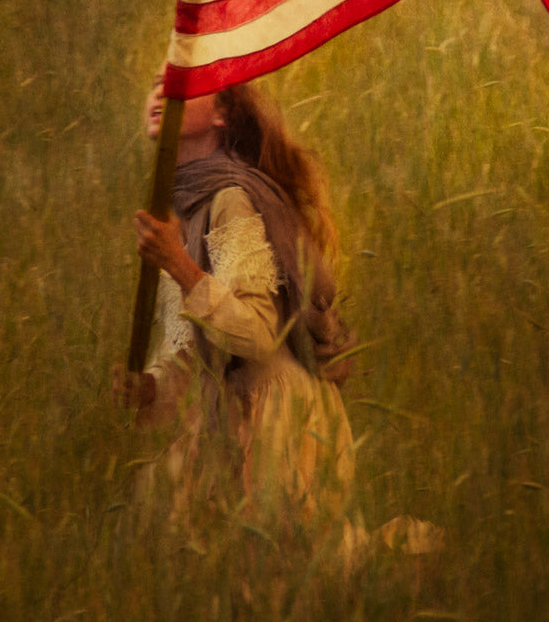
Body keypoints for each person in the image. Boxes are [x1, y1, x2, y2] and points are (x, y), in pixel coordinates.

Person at [113, 66, 440, 556]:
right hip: (225, 415)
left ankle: (412, 567)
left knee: (305, 569)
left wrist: (179, 265)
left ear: (222, 113)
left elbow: (255, 335)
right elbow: (189, 351)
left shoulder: (231, 199)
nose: (161, 92)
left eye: (181, 83)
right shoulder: (178, 210)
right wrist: (151, 389)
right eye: (156, 82)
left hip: (277, 417)